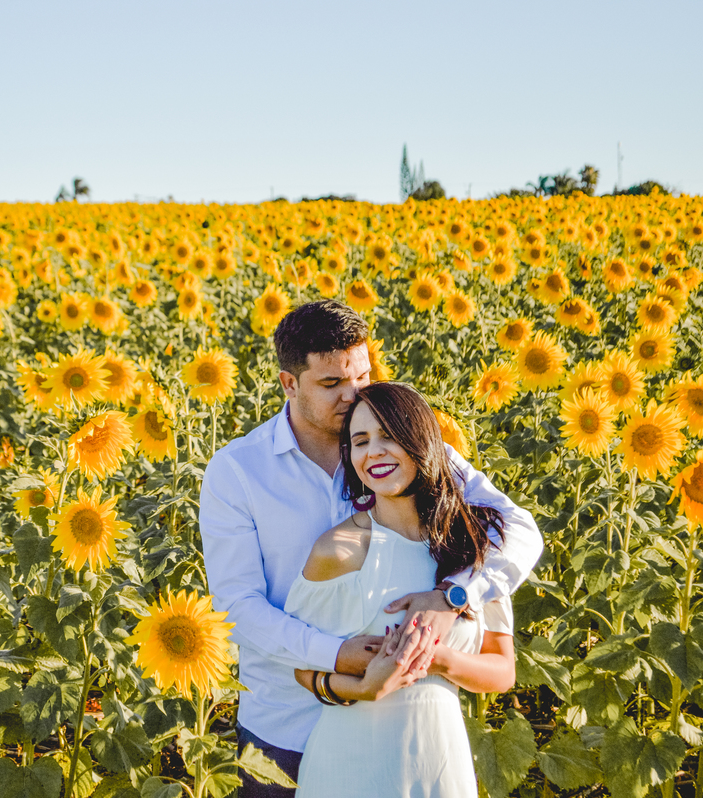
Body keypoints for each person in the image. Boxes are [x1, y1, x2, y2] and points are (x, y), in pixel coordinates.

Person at [199, 300, 542, 797]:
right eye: (332, 383)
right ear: (289, 383)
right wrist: (338, 656)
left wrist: (453, 596)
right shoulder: (238, 472)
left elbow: (516, 528)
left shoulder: (414, 451)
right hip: (289, 723)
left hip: (398, 735)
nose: (354, 394)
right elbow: (237, 607)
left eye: (362, 376)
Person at [286, 381, 516, 795]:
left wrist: (436, 659)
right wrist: (364, 687)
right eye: (360, 441)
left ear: (420, 440)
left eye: (388, 436)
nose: (373, 451)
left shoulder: (474, 546)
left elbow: (503, 671)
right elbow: (301, 666)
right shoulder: (338, 551)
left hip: (440, 763)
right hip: (348, 767)